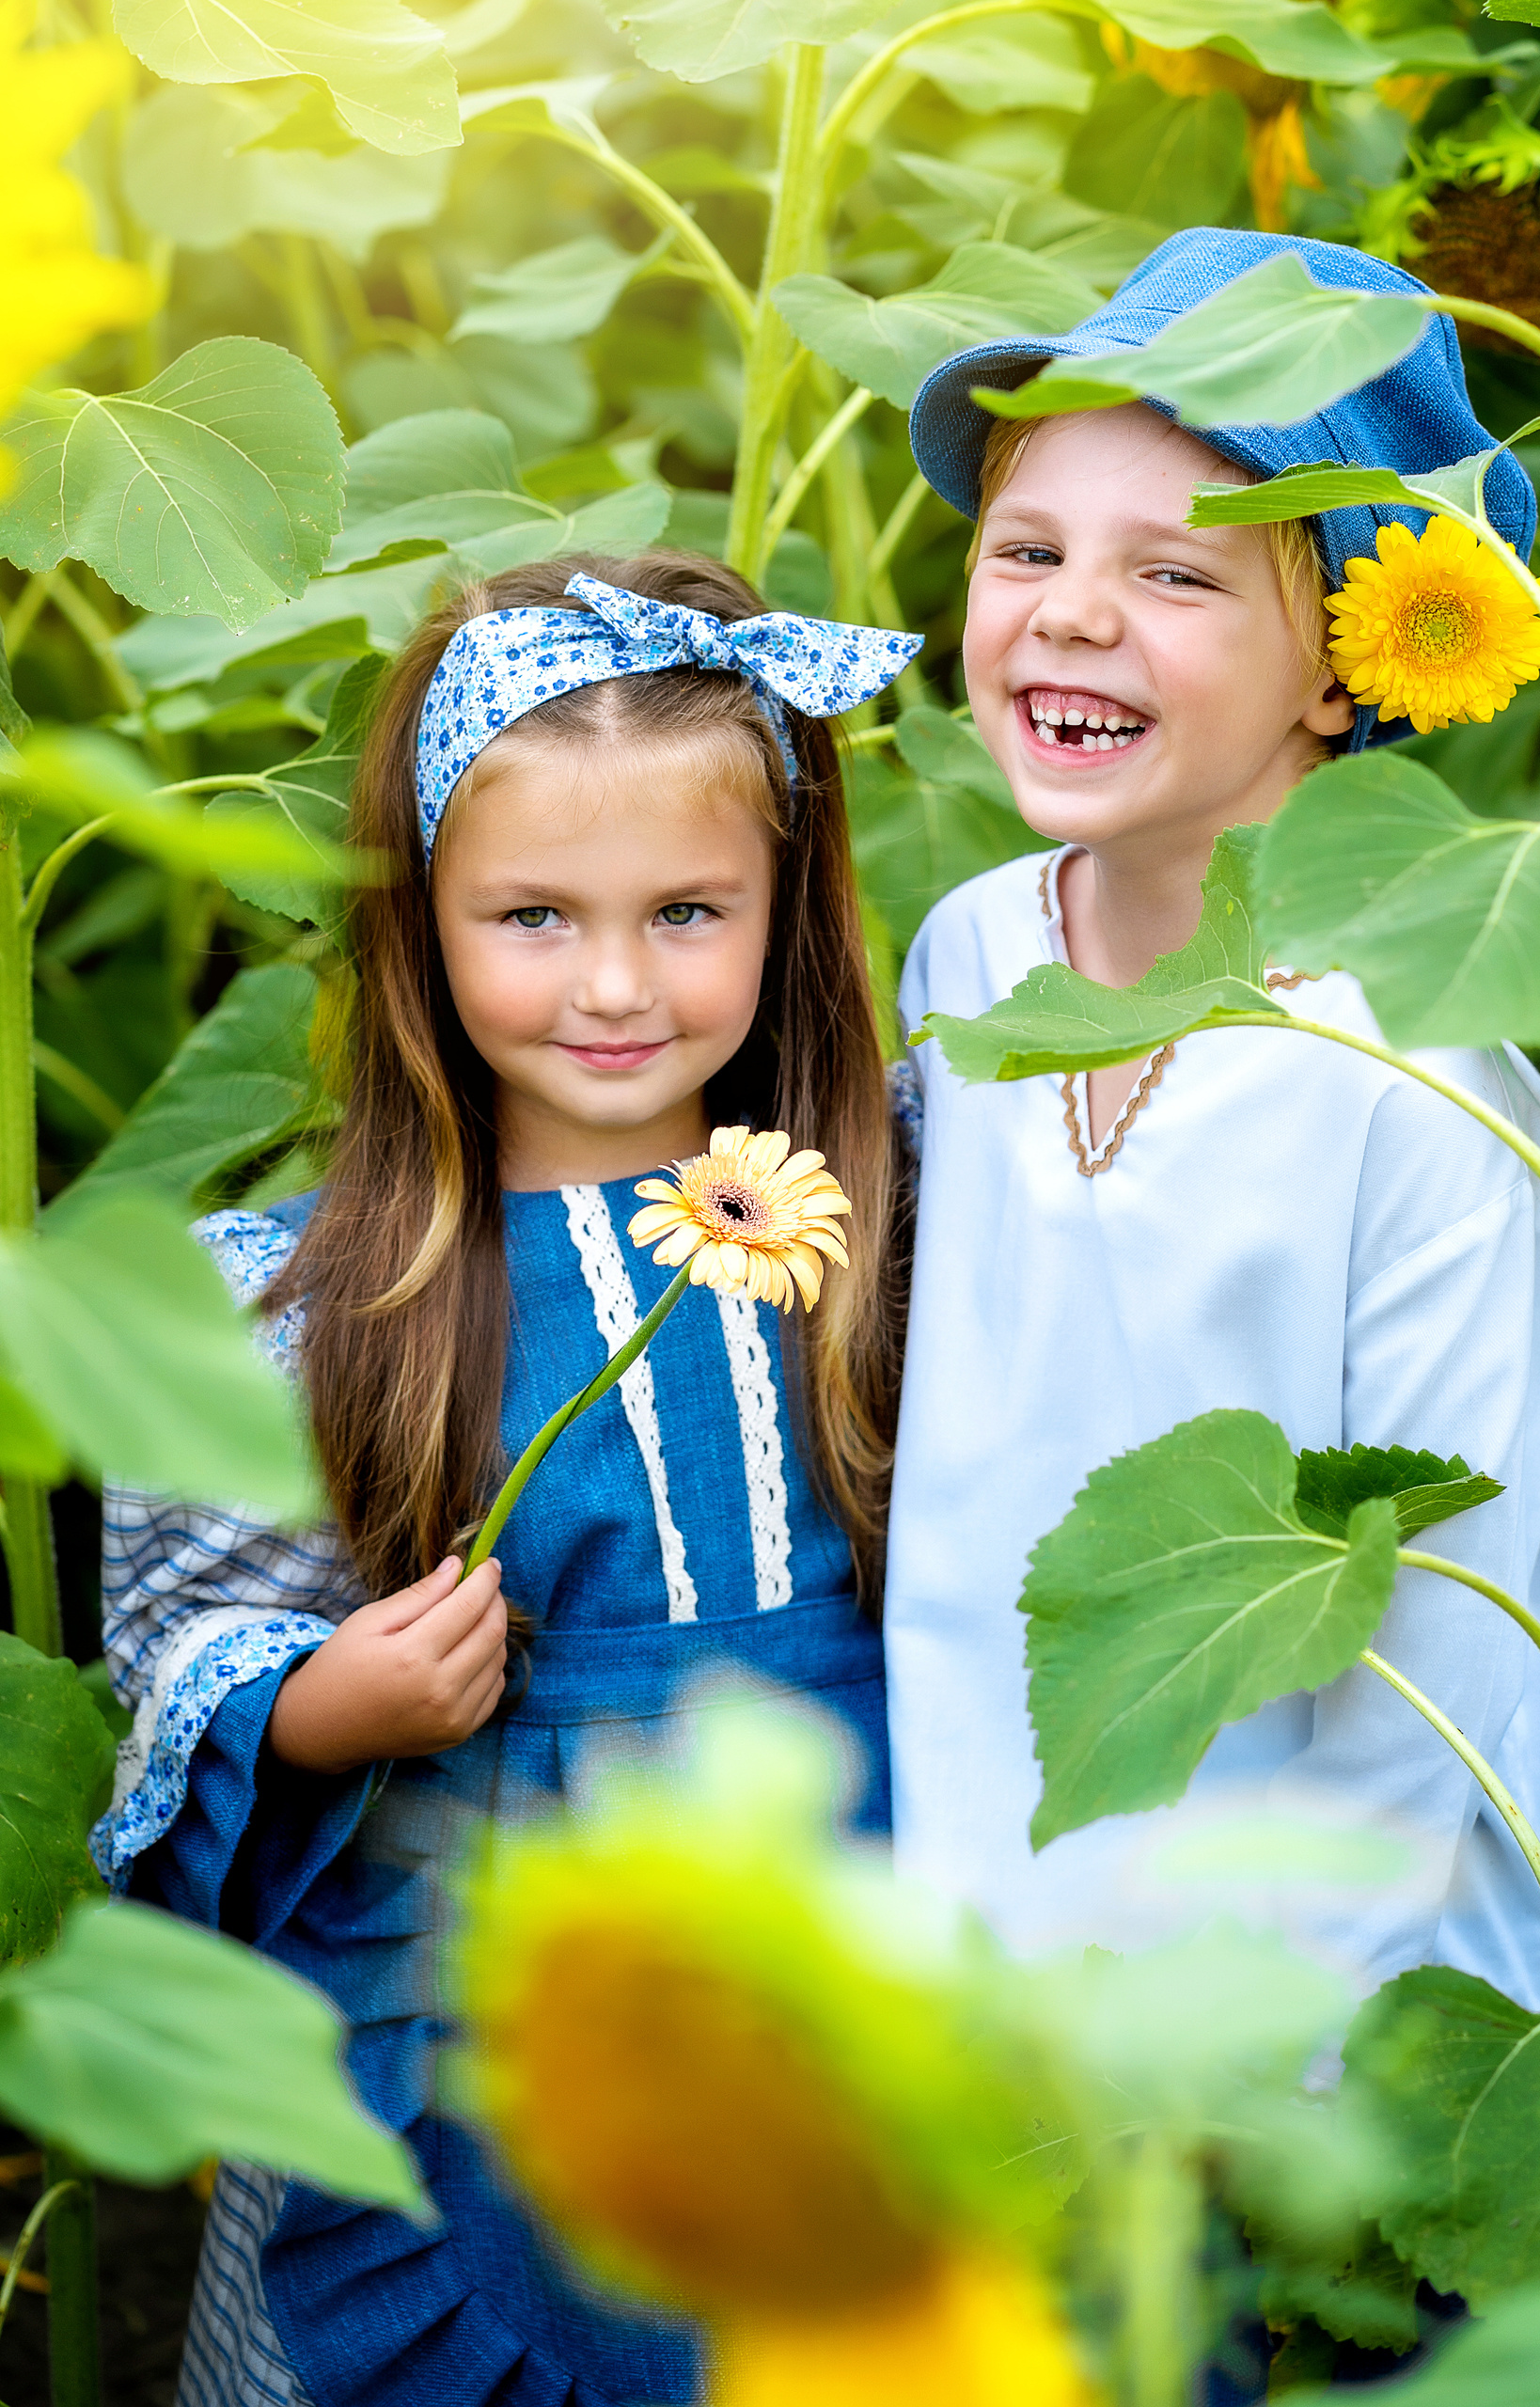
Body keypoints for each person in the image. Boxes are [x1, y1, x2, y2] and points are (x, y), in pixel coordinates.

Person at [93, 552, 920, 2407]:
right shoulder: (319, 1295)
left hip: (852, 1932)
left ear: (782, 909)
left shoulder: (890, 1209)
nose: (613, 982)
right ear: (419, 924)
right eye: (533, 914)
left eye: (686, 909)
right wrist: (318, 1701)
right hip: (497, 1977)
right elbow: (174, 1638)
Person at [884, 228, 1540, 2011]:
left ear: (1348, 663)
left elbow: (1439, 1658)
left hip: (1300, 2032)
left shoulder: (1422, 1083)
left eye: (1179, 577)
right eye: (1025, 550)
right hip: (971, 1945)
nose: (1066, 611)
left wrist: (1239, 2073)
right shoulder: (971, 950)